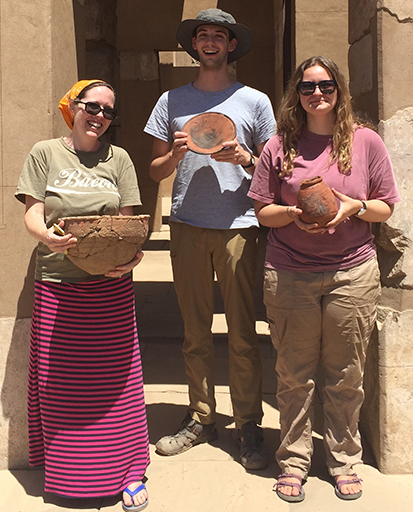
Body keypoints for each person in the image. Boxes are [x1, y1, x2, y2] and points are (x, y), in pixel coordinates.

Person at [247, 56, 400, 503]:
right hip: (290, 272)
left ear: (340, 91)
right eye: (309, 86)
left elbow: (386, 205)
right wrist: (295, 213)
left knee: (345, 374)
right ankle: (293, 460)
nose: (318, 94)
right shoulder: (280, 146)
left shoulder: (365, 142)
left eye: (327, 86)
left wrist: (353, 207)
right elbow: (262, 211)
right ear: (297, 93)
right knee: (293, 376)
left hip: (350, 271)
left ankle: (343, 459)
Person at [143, 8, 275, 470]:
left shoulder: (254, 101)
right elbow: (154, 169)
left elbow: (274, 170)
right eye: (203, 35)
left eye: (220, 35)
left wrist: (247, 156)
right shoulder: (171, 100)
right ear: (194, 45)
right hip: (188, 225)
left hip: (240, 226)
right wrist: (176, 154)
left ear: (231, 45)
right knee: (194, 331)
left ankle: (249, 424)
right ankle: (201, 416)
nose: (211, 42)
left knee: (242, 332)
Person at [15, 79, 150, 512]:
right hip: (57, 283)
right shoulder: (45, 152)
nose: (100, 116)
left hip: (109, 286)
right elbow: (33, 211)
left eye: (109, 111)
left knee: (117, 383)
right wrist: (45, 237)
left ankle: (129, 473)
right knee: (64, 385)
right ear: (74, 108)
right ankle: (68, 475)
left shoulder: (121, 159)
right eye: (93, 106)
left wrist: (132, 258)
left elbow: (128, 223)